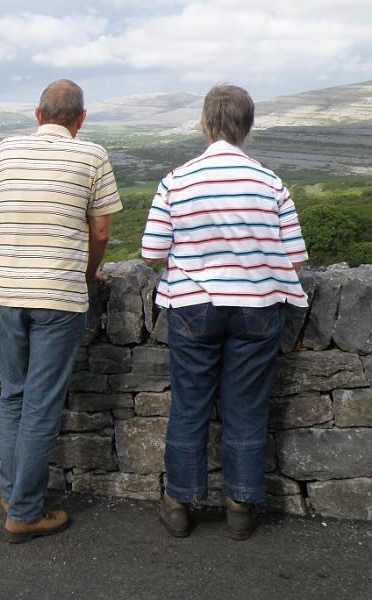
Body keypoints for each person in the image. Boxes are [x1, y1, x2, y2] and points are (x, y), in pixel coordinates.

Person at [141, 84, 308, 540]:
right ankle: (240, 506)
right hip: (258, 307)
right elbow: (294, 259)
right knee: (247, 406)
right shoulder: (271, 183)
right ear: (247, 127)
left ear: (204, 123)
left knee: (191, 404)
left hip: (193, 305)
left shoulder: (176, 180)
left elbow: (152, 252)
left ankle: (179, 502)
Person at [0, 79, 122, 543]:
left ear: (38, 114)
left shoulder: (5, 151)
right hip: (59, 296)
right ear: (81, 119)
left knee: (13, 397)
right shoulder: (92, 156)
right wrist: (85, 274)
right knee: (42, 405)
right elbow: (101, 231)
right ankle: (24, 512)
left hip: (7, 291)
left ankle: (12, 495)